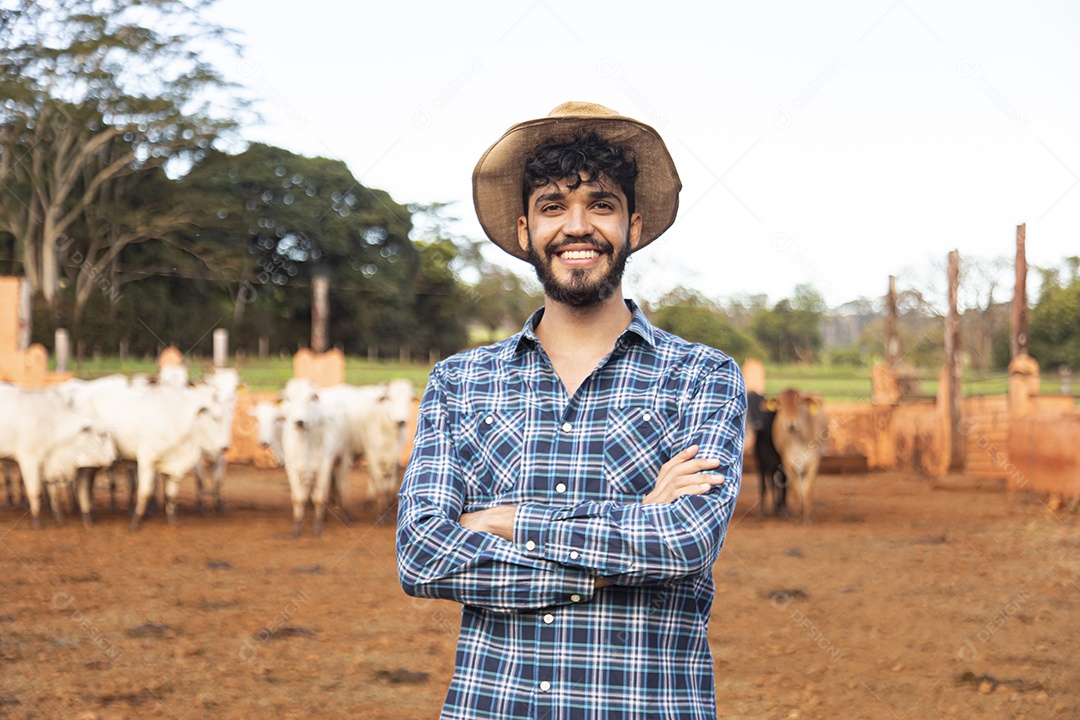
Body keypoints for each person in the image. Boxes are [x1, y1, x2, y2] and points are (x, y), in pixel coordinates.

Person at [396, 101, 746, 720]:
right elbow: (422, 554)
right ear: (527, 231)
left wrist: (501, 521)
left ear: (633, 226)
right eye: (553, 206)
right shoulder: (459, 383)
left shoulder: (702, 376)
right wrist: (628, 535)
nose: (576, 227)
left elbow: (686, 541)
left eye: (601, 205)